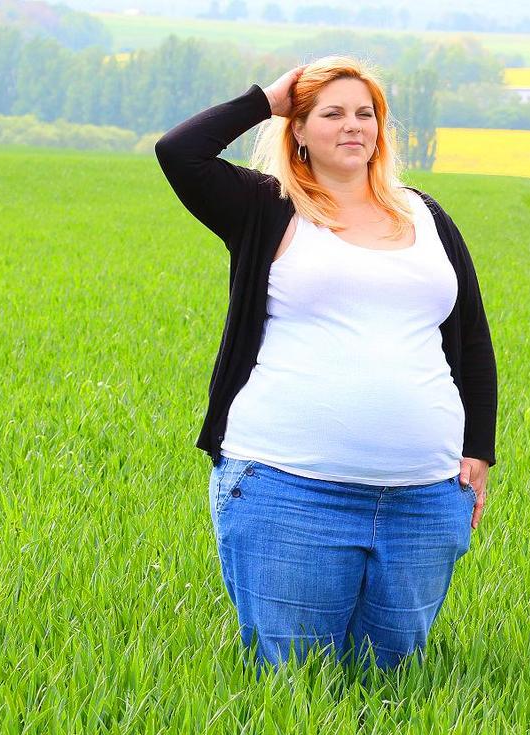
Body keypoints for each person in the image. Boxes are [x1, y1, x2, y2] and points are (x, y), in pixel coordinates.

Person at [155, 56, 498, 676]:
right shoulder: (265, 206)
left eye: (366, 113)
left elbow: (471, 341)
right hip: (288, 490)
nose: (352, 125)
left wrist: (479, 448)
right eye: (332, 113)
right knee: (296, 690)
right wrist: (267, 100)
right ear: (298, 130)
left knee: (394, 689)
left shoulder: (426, 217)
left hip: (423, 501)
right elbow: (179, 152)